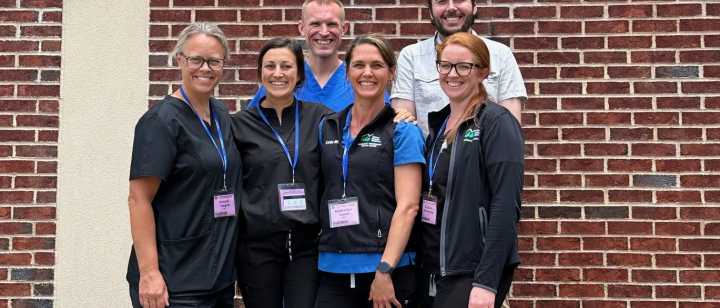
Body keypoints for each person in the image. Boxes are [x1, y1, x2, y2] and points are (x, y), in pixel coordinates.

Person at [126, 22, 240, 308]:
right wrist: (150, 273)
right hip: (174, 280)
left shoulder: (222, 115)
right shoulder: (161, 122)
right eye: (196, 59)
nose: (205, 68)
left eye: (214, 61)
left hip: (218, 278)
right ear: (180, 59)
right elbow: (139, 199)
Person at [315, 35, 425, 308]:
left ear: (391, 72)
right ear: (347, 72)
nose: (367, 73)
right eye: (359, 65)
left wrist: (385, 269)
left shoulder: (403, 130)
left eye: (377, 65)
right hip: (332, 265)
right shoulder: (327, 126)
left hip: (385, 269)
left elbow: (409, 206)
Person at [417, 32, 523, 308]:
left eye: (464, 66)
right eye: (445, 65)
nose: (453, 74)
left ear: (483, 72)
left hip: (472, 271)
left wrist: (486, 283)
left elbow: (505, 205)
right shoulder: (439, 126)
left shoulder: (496, 122)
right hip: (435, 269)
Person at [231, 38, 330, 308]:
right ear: (260, 72)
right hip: (257, 248)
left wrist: (400, 115)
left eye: (286, 66)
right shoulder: (238, 125)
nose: (277, 73)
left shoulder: (321, 118)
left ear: (299, 73)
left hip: (306, 247)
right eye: (270, 66)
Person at [391, 0, 527, 135]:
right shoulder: (411, 56)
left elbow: (510, 129)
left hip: (485, 154)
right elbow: (403, 126)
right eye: (442, 1)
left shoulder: (500, 55)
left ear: (474, 6)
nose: (451, 7)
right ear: (430, 12)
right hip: (429, 155)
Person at [247, 0, 353, 112]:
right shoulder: (282, 79)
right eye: (315, 24)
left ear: (344, 28)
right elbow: (253, 123)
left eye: (331, 24)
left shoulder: (356, 80)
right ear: (302, 28)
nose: (324, 32)